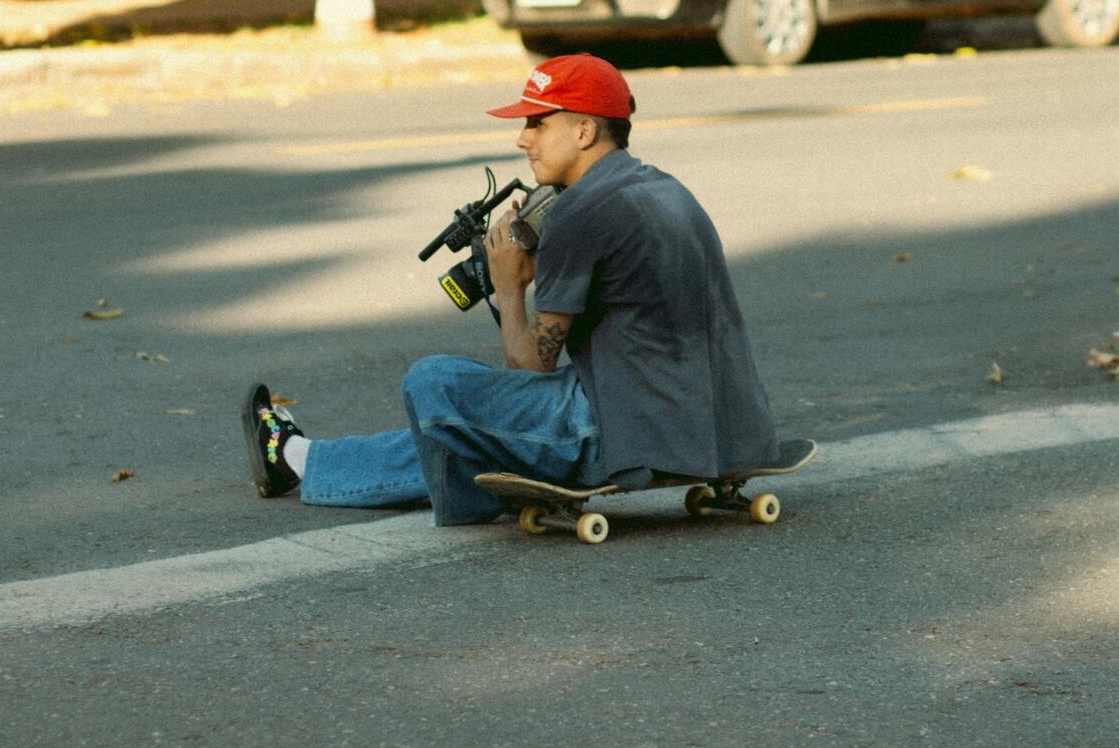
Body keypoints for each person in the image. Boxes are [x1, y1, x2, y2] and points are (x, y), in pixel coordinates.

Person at [241, 54, 779, 523]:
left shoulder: (581, 213)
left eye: (538, 124)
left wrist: (509, 283)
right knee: (465, 424)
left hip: (623, 438)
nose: (523, 138)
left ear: (585, 131)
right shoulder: (663, 188)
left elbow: (528, 368)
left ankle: (408, 480)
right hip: (724, 427)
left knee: (435, 382)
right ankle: (301, 459)